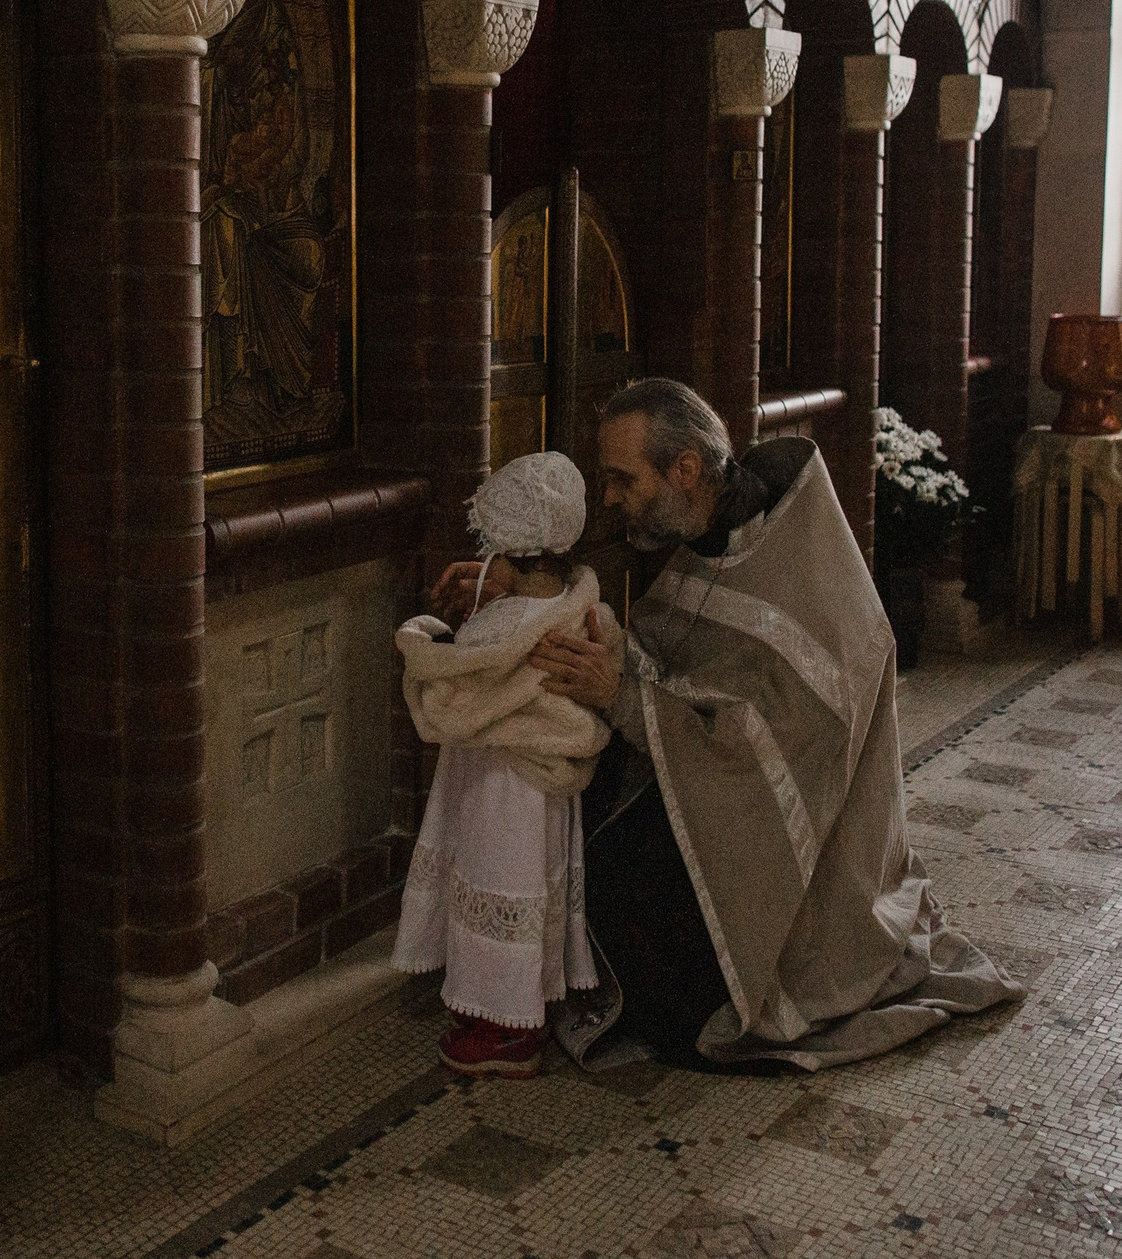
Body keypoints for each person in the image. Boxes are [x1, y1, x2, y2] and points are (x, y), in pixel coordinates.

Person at [431, 378, 1021, 1072]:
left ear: (684, 469)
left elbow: (767, 751)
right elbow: (655, 655)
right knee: (585, 808)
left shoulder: (797, 562)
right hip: (720, 794)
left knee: (640, 901)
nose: (612, 498)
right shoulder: (712, 534)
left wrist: (623, 695)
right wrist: (512, 586)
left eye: (624, 479)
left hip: (808, 866)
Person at [392, 452, 617, 1077]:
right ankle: (523, 1001)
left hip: (499, 782)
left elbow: (451, 695)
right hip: (543, 782)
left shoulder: (502, 627)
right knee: (533, 885)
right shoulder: (576, 605)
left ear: (507, 546)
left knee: (498, 877)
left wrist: (423, 635)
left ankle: (505, 1025)